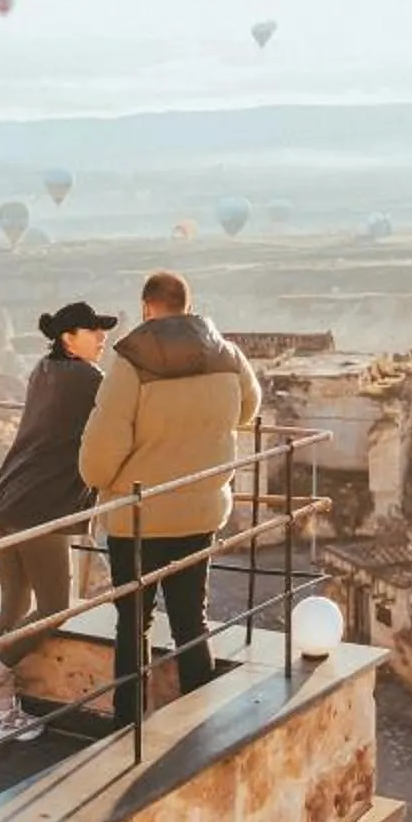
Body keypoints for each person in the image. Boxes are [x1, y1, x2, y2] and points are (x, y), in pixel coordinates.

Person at [77, 269, 263, 733]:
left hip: (136, 517)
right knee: (190, 620)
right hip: (199, 512)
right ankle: (201, 727)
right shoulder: (227, 355)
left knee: (133, 623)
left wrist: (103, 483)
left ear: (146, 308)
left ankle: (128, 729)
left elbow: (100, 454)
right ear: (187, 305)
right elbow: (249, 408)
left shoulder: (131, 362)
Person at [0, 298, 116, 746]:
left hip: (7, 496)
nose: (103, 337)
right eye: (93, 330)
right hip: (38, 506)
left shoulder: (45, 369)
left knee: (14, 606)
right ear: (68, 338)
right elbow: (124, 414)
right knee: (56, 604)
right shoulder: (88, 379)